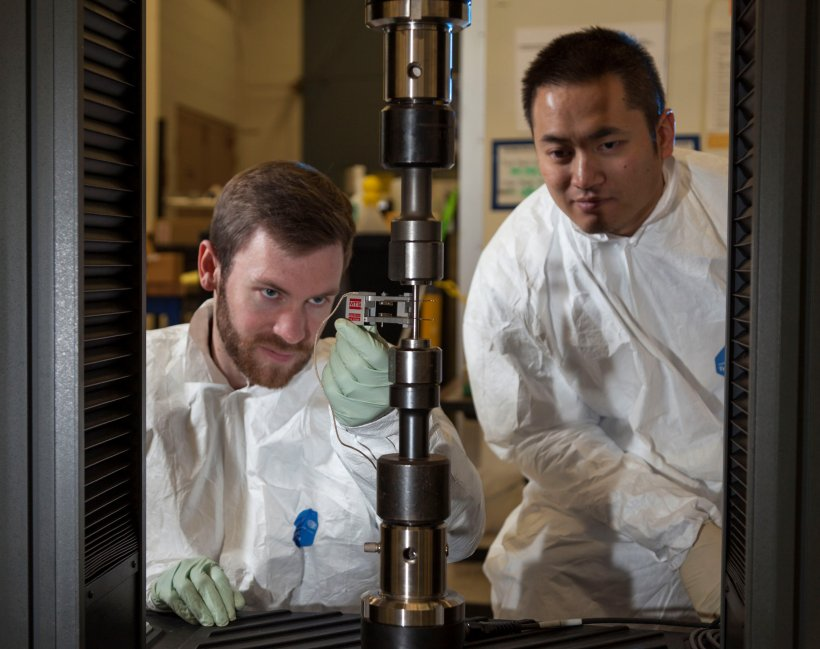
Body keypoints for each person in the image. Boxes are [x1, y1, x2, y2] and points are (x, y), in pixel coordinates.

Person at [146, 160, 485, 627]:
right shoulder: (134, 384)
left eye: (318, 300)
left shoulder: (362, 383)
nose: (292, 331)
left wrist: (383, 431)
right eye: (270, 292)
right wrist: (148, 583)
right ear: (211, 268)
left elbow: (460, 536)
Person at [463, 27, 726, 623]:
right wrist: (682, 532)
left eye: (607, 144)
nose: (583, 176)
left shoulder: (740, 211)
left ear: (662, 134)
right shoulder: (514, 270)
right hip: (600, 526)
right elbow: (542, 435)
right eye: (558, 152)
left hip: (753, 508)